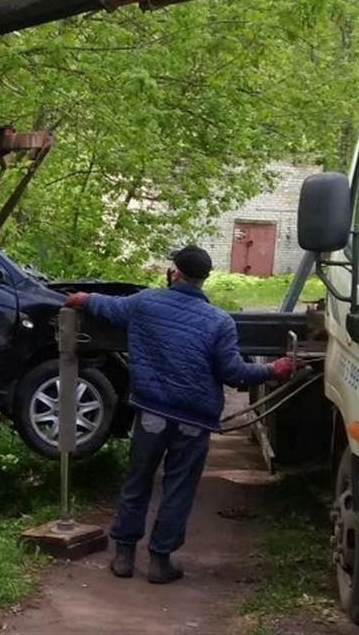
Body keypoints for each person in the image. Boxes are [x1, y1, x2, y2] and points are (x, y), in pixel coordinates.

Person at [65, 245, 294, 584]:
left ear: (175, 273)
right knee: (179, 488)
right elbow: (233, 372)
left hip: (151, 413)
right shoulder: (220, 322)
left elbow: (107, 307)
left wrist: (82, 299)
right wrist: (273, 370)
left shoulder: (145, 303)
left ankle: (124, 556)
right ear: (204, 279)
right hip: (193, 420)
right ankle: (160, 562)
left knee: (138, 480)